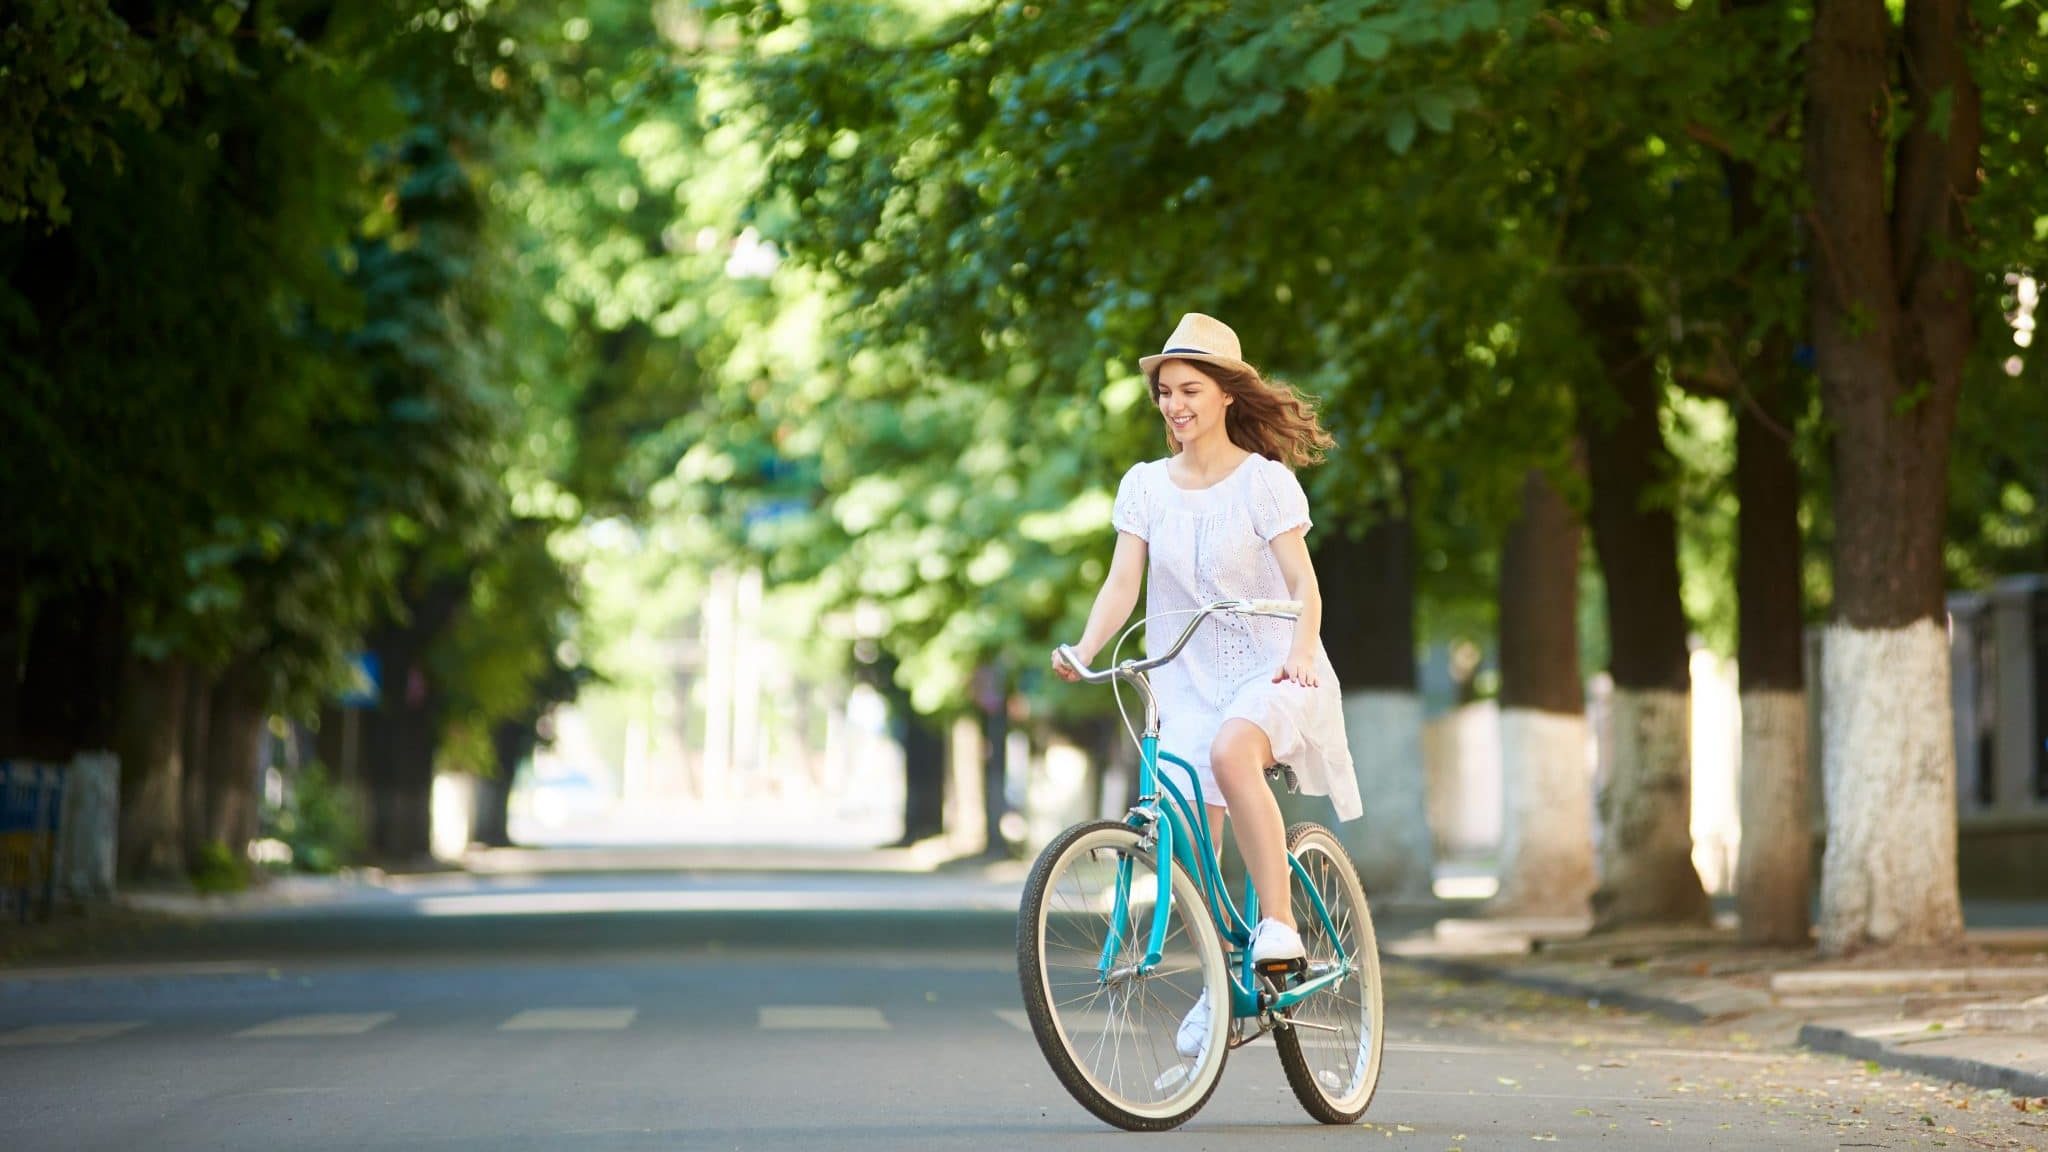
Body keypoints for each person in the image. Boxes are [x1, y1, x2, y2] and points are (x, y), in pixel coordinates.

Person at [1052, 312, 1362, 1058]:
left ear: (1226, 394)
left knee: (1231, 755)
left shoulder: (1265, 484)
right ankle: (1220, 985)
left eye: (1190, 389)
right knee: (1186, 842)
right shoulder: (1145, 487)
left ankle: (1281, 927)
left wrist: (1301, 651)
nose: (1174, 404)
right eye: (1164, 392)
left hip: (1275, 669)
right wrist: (1085, 646)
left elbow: (1305, 588)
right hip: (1182, 680)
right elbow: (1122, 583)